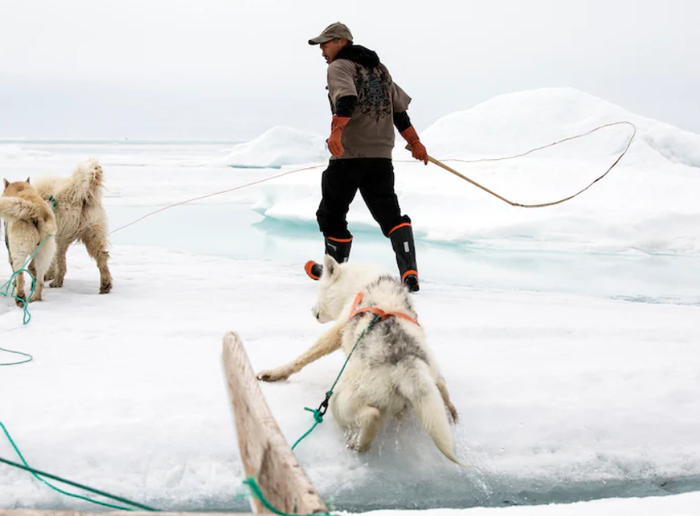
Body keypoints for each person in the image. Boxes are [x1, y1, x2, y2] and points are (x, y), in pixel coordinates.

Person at [304, 22, 429, 293]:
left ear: (341, 41)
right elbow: (399, 112)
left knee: (331, 214)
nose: (322, 50)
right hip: (381, 157)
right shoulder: (380, 69)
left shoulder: (339, 67)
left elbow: (346, 99)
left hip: (349, 156)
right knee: (390, 214)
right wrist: (415, 142)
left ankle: (333, 275)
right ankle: (409, 272)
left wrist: (336, 133)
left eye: (325, 44)